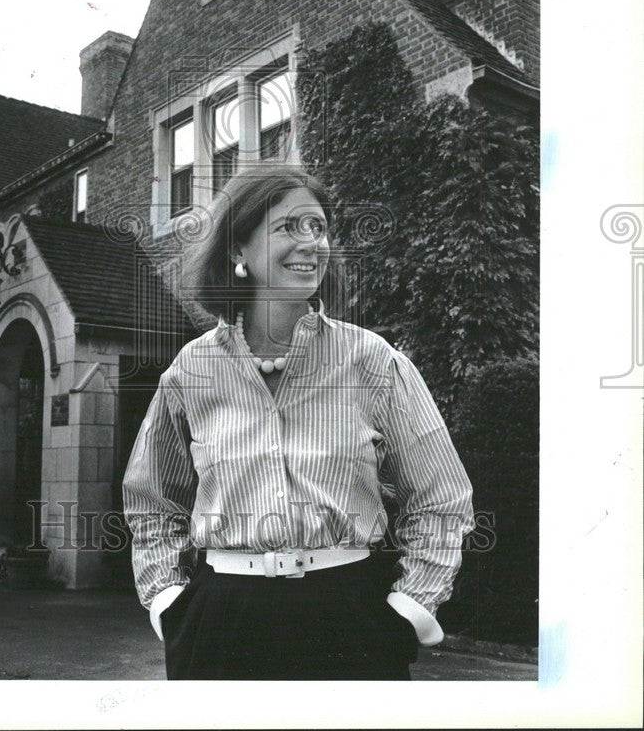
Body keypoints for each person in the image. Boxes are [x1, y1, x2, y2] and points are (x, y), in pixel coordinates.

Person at [122, 164, 474, 680]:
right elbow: (153, 503)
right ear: (238, 250)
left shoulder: (372, 360)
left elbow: (442, 498)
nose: (313, 243)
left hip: (350, 620)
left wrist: (410, 610)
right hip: (218, 623)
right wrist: (169, 602)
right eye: (290, 226)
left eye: (320, 227)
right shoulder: (189, 372)